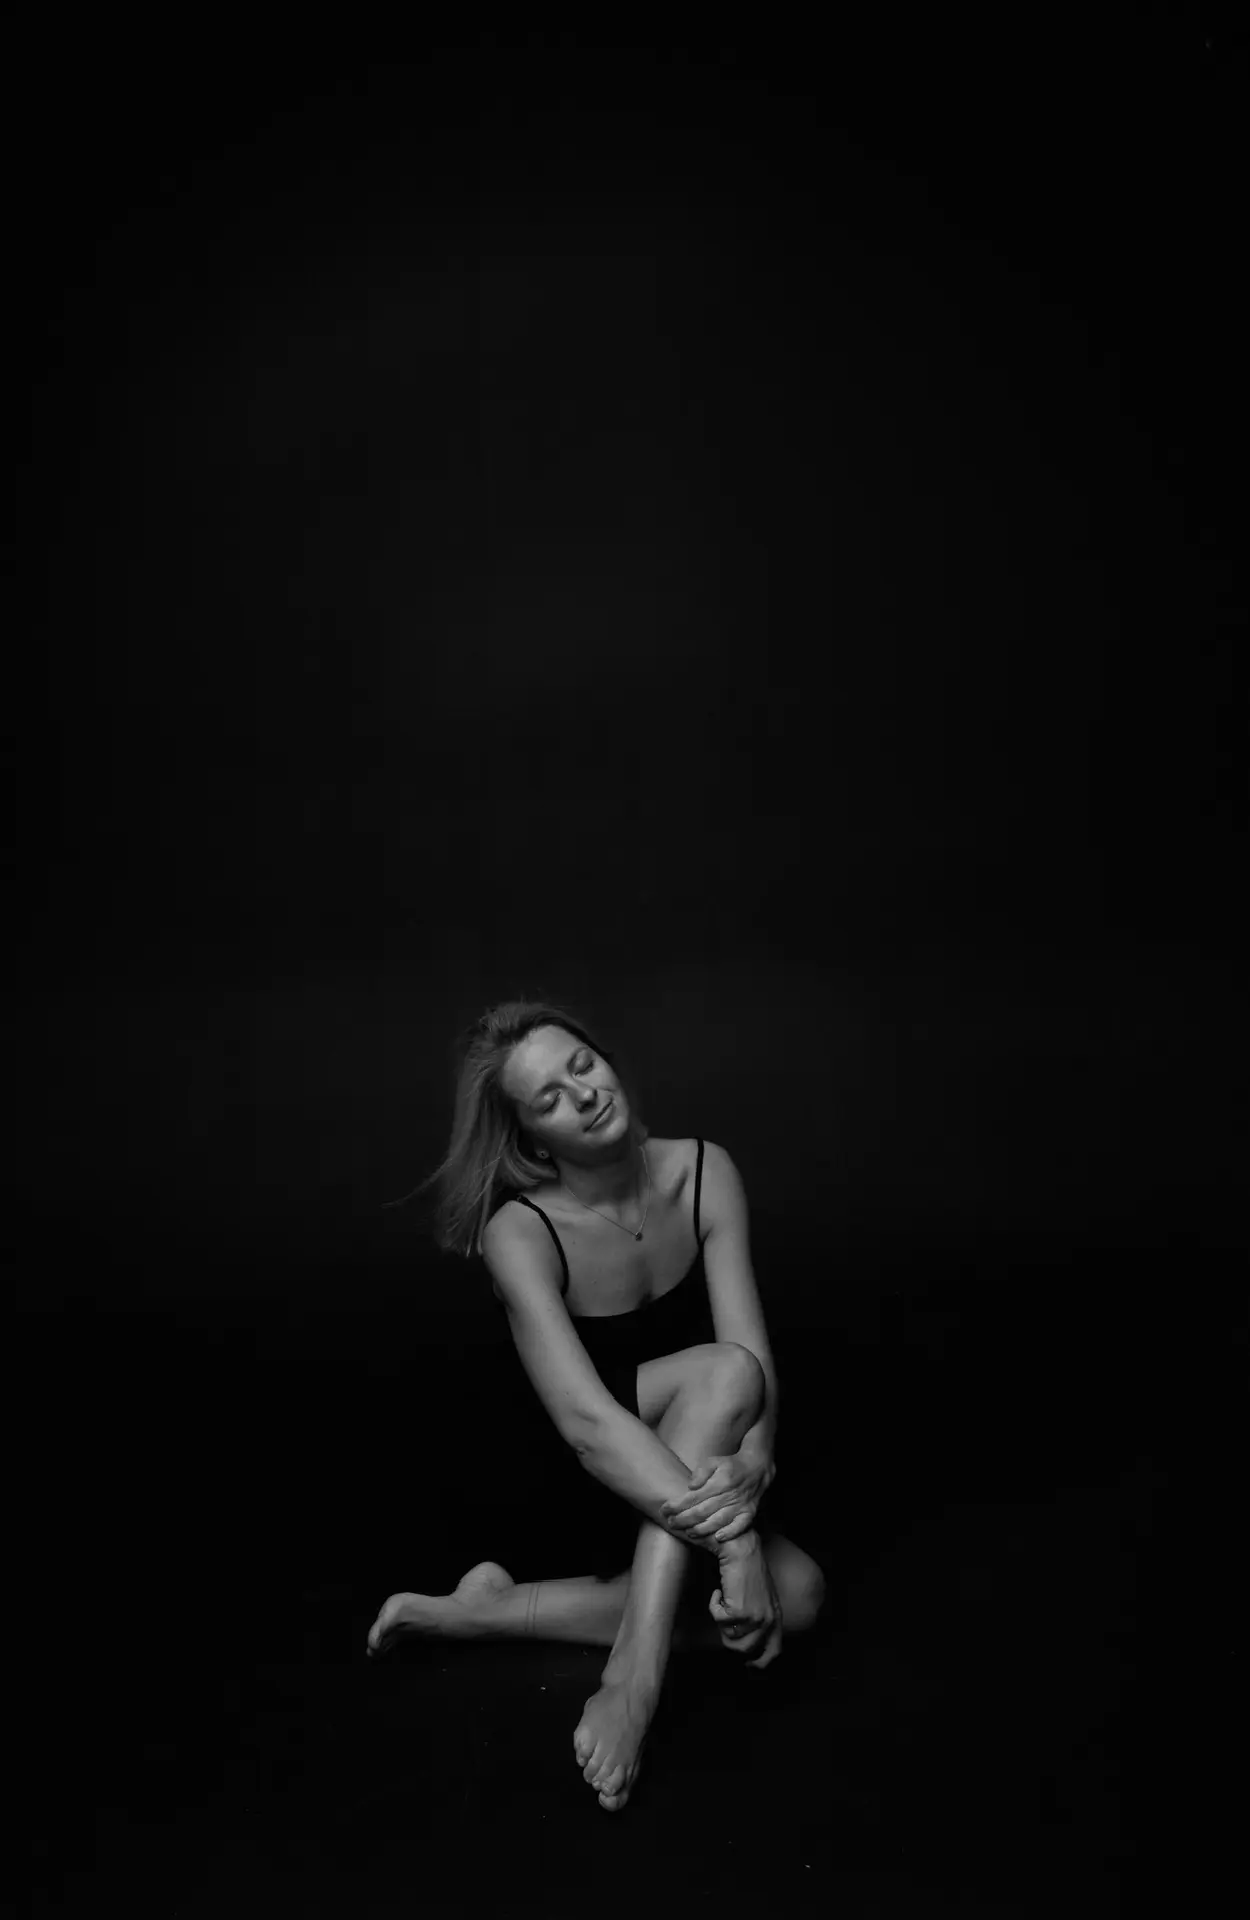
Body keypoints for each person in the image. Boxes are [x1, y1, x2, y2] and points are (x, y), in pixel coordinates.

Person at [367, 999, 826, 1812]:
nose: (583, 1094)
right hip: (568, 1477)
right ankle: (633, 1675)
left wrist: (754, 1469)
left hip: (683, 1465)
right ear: (532, 1140)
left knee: (804, 1596)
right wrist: (735, 1540)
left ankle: (491, 1613)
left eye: (582, 1065)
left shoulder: (704, 1172)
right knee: (722, 1378)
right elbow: (586, 1425)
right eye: (549, 1099)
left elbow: (755, 1362)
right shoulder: (521, 1231)